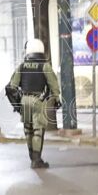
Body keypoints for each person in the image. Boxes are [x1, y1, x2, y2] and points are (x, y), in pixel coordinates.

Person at [6, 39, 61, 169]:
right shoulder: (45, 66)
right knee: (38, 130)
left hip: (24, 100)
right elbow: (53, 84)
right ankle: (37, 160)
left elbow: (12, 87)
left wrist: (17, 103)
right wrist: (57, 99)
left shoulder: (22, 66)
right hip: (38, 100)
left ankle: (32, 157)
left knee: (28, 130)